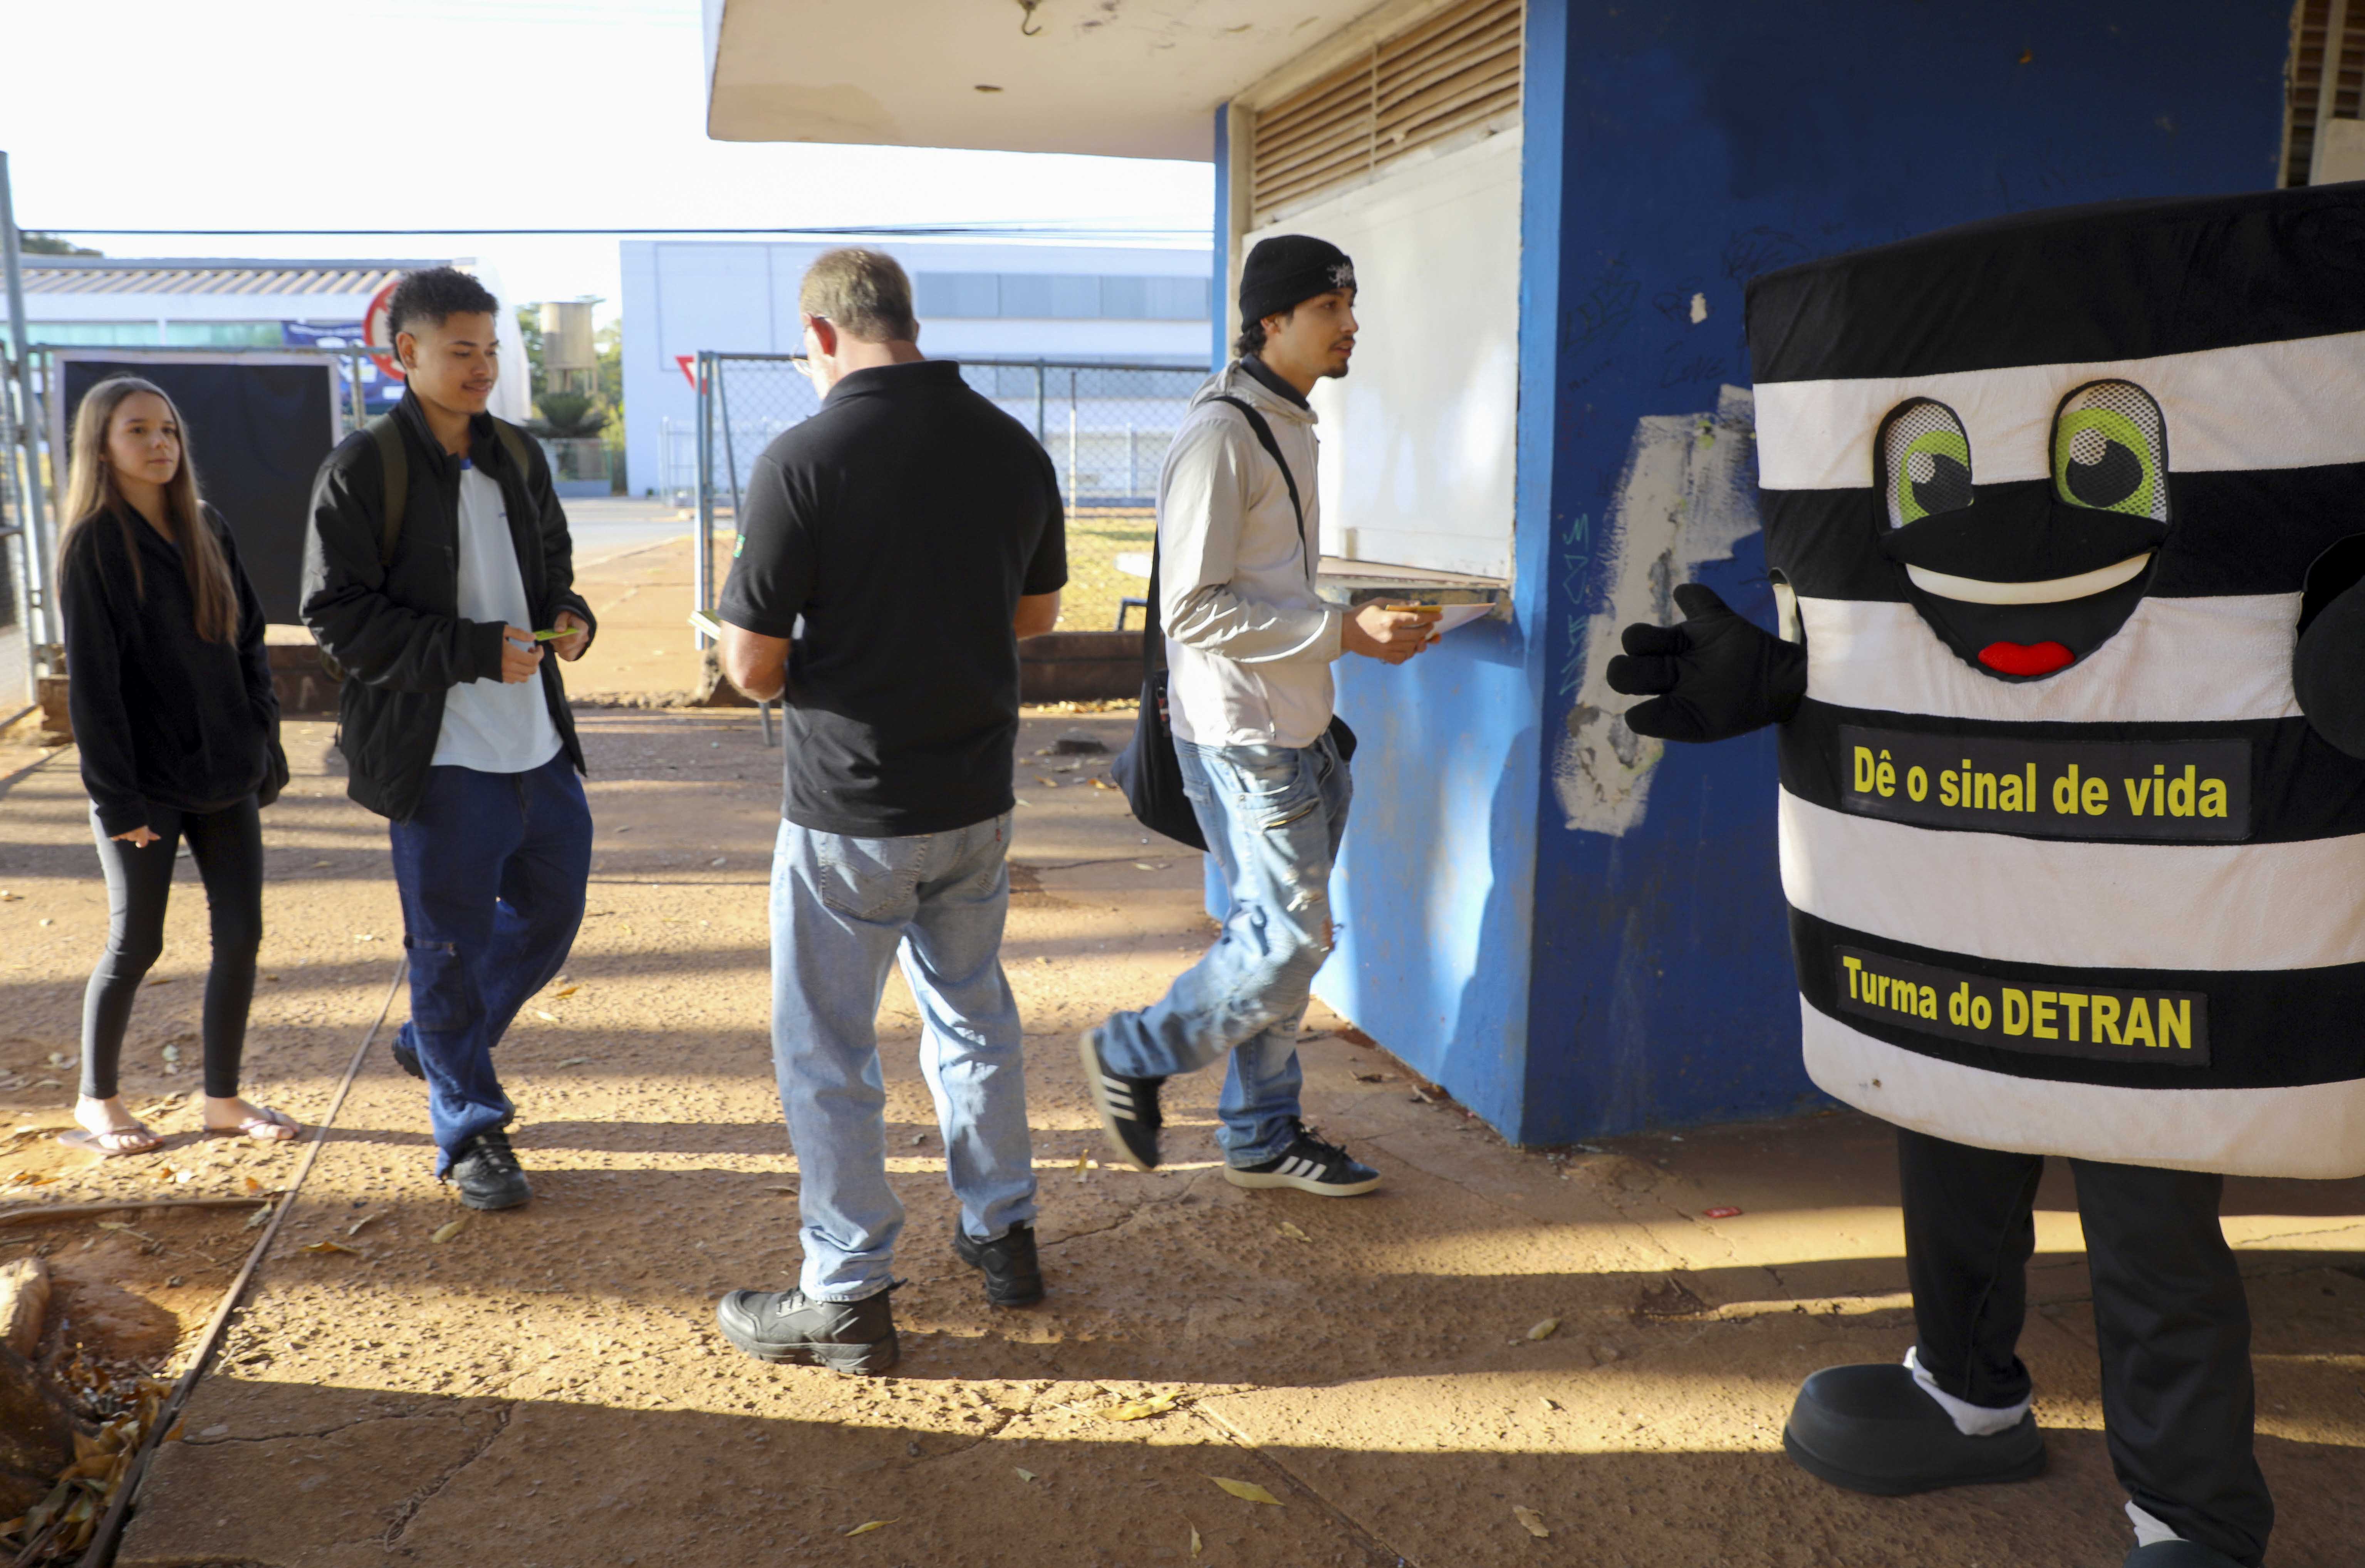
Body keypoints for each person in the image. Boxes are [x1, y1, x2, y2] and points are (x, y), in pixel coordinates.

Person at [1605, 186, 2365, 1568]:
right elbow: (1866, 636)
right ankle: (1965, 1390)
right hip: (1946, 902)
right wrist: (1772, 684)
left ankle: (2193, 1515)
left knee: (2148, 1198)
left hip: (2157, 920)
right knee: (1950, 1121)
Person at [710, 248, 1064, 1376]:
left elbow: (754, 669)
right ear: (905, 320)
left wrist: (835, 641)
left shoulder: (802, 459)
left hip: (850, 810)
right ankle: (1001, 1234)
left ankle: (847, 1294)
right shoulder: (1009, 446)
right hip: (973, 797)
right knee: (971, 1016)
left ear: (820, 335)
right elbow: (1038, 613)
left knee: (826, 1044)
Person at [1080, 235, 1434, 1195]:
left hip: (1301, 724)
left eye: (1351, 304)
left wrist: (1355, 622)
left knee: (1276, 939)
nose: (1351, 324)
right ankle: (1137, 1049)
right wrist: (1344, 631)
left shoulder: (1290, 421)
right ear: (1271, 320)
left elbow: (1265, 579)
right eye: (1332, 307)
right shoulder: (1223, 434)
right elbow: (1190, 606)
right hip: (1244, 735)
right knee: (1286, 941)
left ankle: (1261, 1133)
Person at [301, 266, 595, 1212]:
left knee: (550, 912)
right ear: (407, 354)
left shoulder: (516, 451)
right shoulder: (363, 468)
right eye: (461, 350)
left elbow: (554, 563)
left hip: (536, 742)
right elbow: (337, 616)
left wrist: (570, 613)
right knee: (448, 950)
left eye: (491, 350)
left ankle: (435, 1043)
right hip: (438, 757)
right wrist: (472, 650)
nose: (482, 368)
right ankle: (469, 1127)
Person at [56, 376, 297, 1156]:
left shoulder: (206, 526)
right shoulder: (93, 545)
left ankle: (223, 1100)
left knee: (243, 934)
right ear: (103, 445)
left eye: (168, 430)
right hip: (141, 788)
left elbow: (249, 640)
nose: (160, 443)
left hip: (227, 773)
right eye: (137, 431)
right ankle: (98, 1100)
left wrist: (262, 738)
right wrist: (117, 799)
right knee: (139, 942)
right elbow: (93, 688)